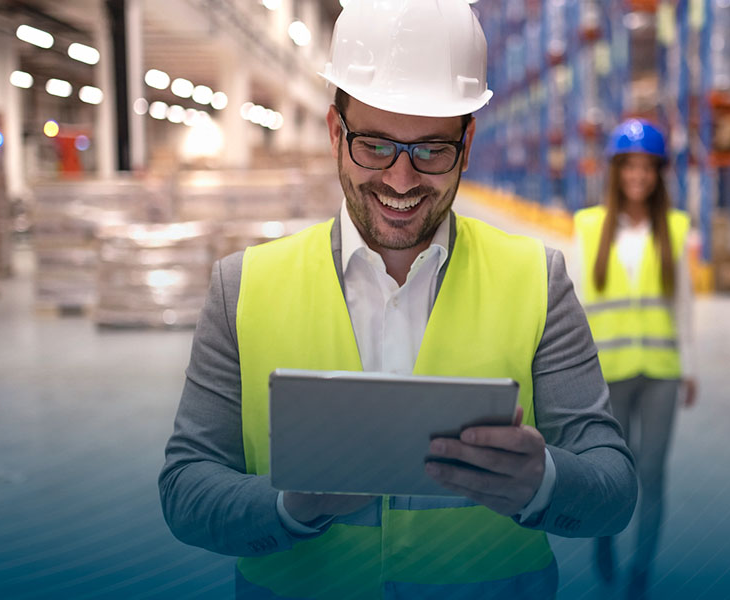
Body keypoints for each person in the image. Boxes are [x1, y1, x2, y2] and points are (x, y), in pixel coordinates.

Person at [158, 2, 637, 598]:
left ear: (467, 143)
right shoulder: (243, 287)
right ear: (337, 132)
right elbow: (185, 487)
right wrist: (287, 506)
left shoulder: (536, 280)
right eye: (376, 146)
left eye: (431, 150)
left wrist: (543, 482)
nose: (401, 182)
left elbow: (613, 489)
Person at [572, 119, 697, 600]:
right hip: (608, 374)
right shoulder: (588, 227)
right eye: (631, 167)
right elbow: (577, 306)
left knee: (652, 472)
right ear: (617, 171)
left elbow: (684, 306)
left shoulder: (676, 228)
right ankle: (605, 542)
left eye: (648, 168)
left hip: (662, 372)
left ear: (658, 174)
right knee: (612, 472)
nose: (639, 177)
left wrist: (692, 367)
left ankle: (642, 565)